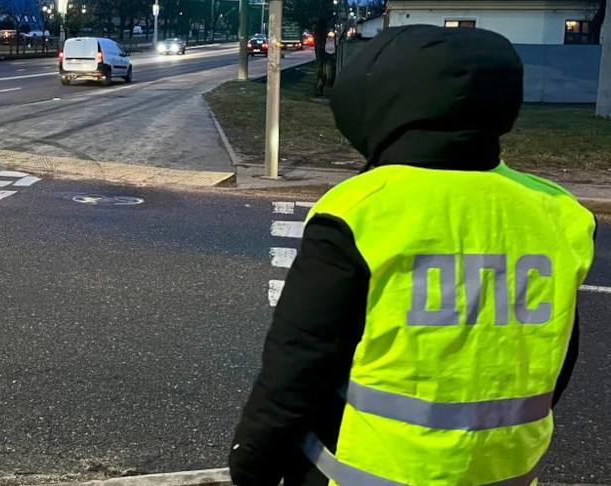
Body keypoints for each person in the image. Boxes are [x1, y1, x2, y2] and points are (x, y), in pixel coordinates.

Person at [229, 25, 595, 486]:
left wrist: (252, 464)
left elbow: (298, 366)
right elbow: (560, 359)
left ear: (379, 103)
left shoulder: (361, 211)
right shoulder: (559, 211)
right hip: (506, 473)